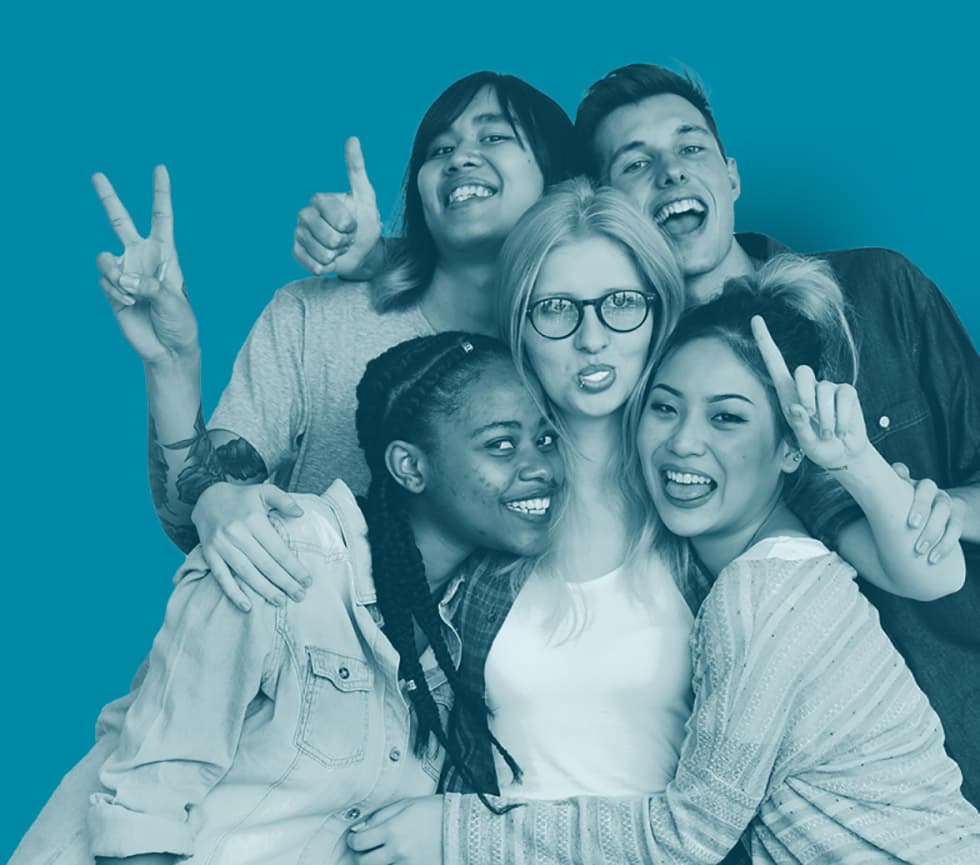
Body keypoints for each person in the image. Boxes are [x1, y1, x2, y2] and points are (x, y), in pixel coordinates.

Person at [351, 257, 980, 865]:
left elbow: (688, 836)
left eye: (727, 417)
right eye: (664, 406)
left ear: (792, 450)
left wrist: (455, 835)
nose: (683, 441)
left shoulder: (764, 590)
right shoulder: (753, 564)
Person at [572, 62, 980, 806]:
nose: (668, 173)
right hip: (795, 797)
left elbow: (932, 561)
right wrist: (380, 266)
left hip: (964, 732)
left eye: (689, 149)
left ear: (729, 176)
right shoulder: (624, 375)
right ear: (608, 207)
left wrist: (943, 508)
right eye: (635, 163)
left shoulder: (879, 291)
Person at [10, 331, 563, 865]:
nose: (539, 467)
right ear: (409, 467)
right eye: (501, 444)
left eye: (545, 439)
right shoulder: (278, 557)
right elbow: (139, 817)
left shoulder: (468, 624)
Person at [94, 70, 577, 611]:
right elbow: (201, 517)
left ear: (560, 175)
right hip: (306, 665)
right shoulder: (317, 317)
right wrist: (172, 365)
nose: (460, 157)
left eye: (494, 136)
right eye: (439, 148)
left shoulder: (583, 345)